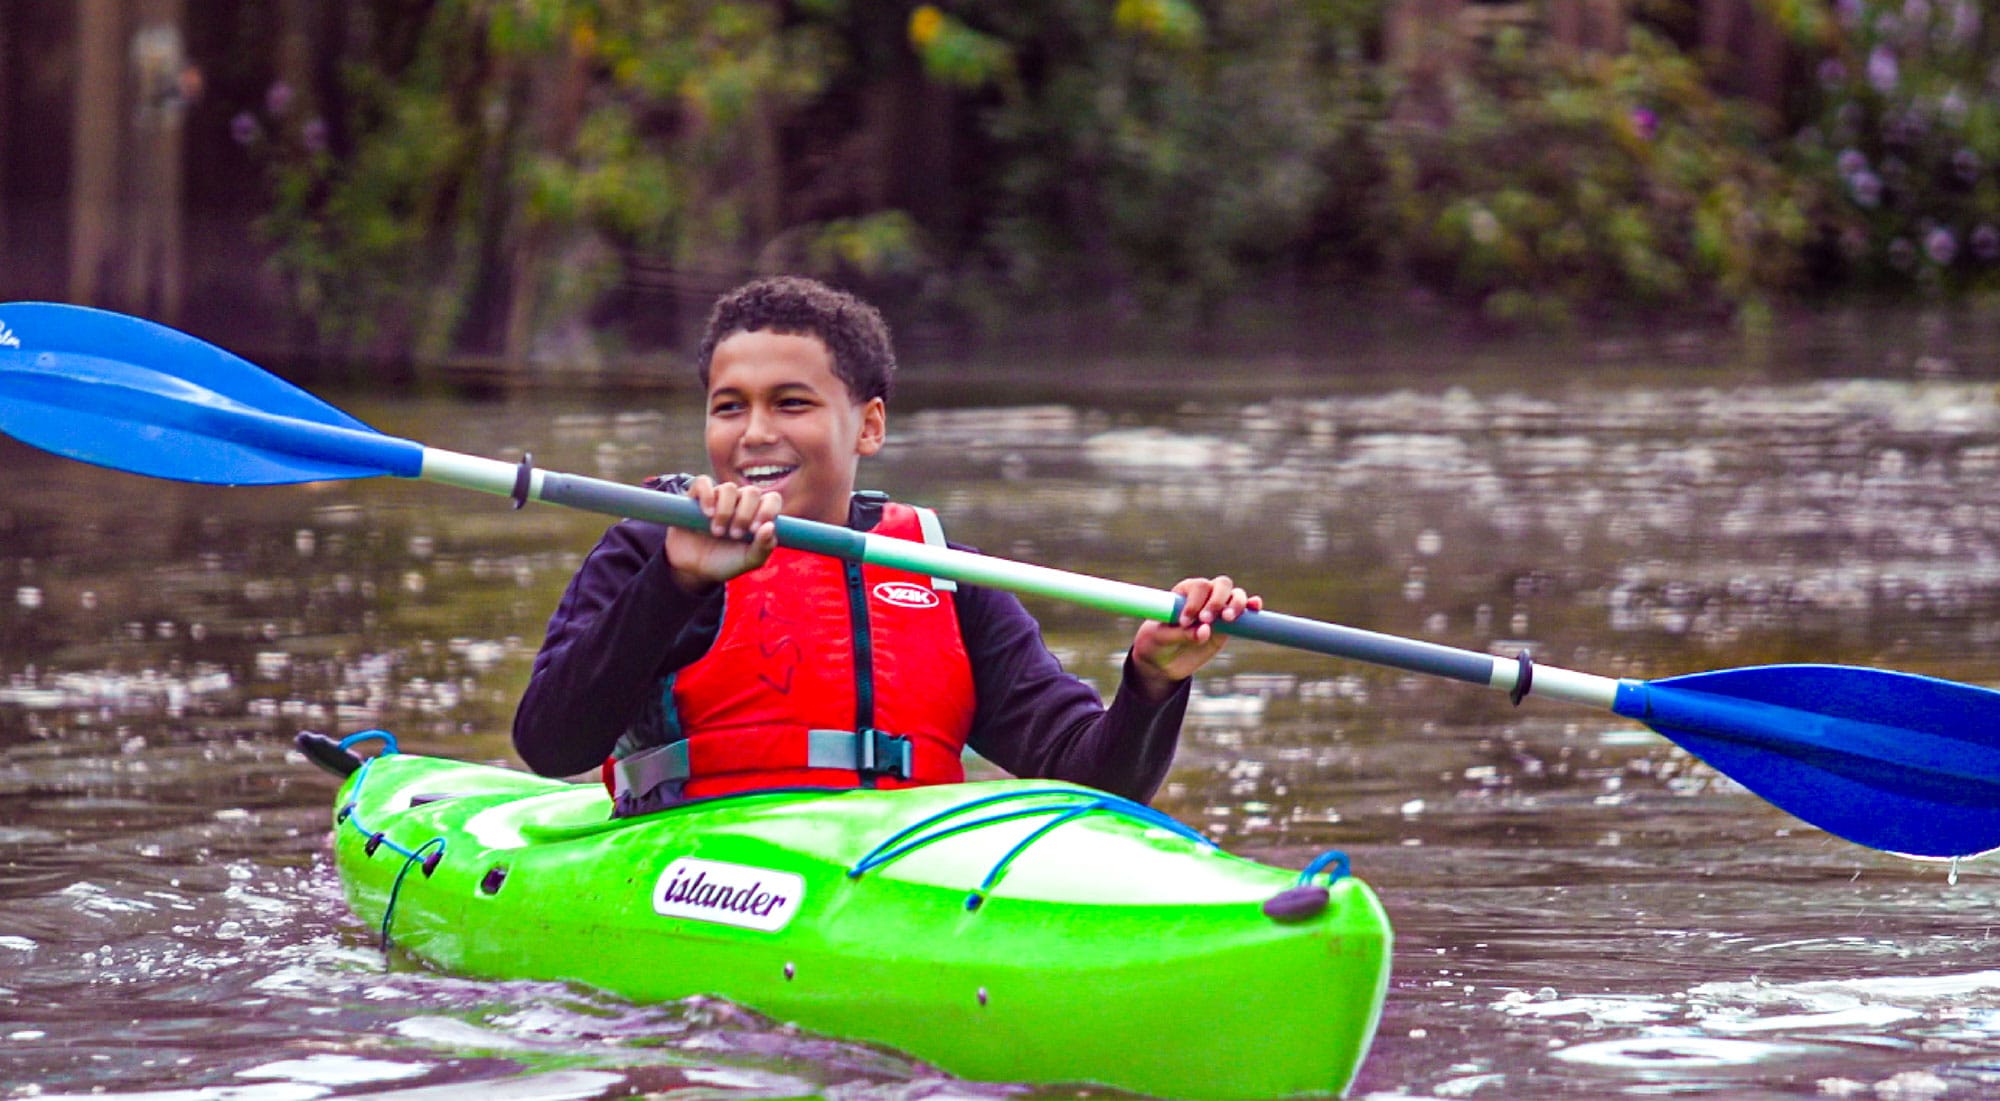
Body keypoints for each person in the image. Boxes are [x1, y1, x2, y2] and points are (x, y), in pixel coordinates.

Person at [512, 276, 1259, 816]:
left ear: (868, 425)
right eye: (729, 406)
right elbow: (550, 745)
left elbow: (1091, 781)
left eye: (791, 402)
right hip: (699, 867)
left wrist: (1152, 681)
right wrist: (676, 583)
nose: (755, 432)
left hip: (892, 873)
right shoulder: (652, 543)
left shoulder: (939, 572)